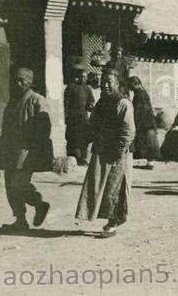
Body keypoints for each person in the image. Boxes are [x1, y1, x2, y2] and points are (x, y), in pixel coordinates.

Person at [75, 69, 135, 238]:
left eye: (110, 82)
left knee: (116, 187)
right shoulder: (102, 103)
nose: (106, 85)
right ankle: (106, 218)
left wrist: (119, 150)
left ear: (117, 84)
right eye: (104, 82)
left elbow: (128, 131)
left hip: (118, 152)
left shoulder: (123, 103)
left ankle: (113, 222)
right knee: (98, 186)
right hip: (101, 149)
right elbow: (93, 123)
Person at [0, 68, 53, 231]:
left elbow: (45, 125)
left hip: (26, 151)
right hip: (10, 149)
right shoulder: (13, 102)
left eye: (22, 81)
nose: (18, 84)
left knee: (18, 183)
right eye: (16, 81)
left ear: (30, 82)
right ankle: (20, 220)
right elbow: (6, 127)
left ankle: (39, 204)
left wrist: (35, 145)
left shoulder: (37, 100)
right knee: (10, 186)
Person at [64, 67, 95, 165]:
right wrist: (66, 115)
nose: (83, 79)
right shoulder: (71, 87)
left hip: (83, 117)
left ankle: (83, 157)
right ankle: (75, 157)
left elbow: (91, 99)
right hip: (73, 117)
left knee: (84, 137)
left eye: (85, 77)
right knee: (74, 137)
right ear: (77, 77)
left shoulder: (87, 88)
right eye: (82, 77)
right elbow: (66, 102)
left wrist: (90, 104)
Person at [128, 76, 160, 169]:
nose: (130, 89)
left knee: (149, 143)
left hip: (146, 123)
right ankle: (150, 163)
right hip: (146, 122)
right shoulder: (140, 92)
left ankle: (150, 164)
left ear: (136, 84)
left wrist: (136, 122)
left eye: (131, 86)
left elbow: (139, 110)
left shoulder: (140, 94)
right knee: (148, 143)